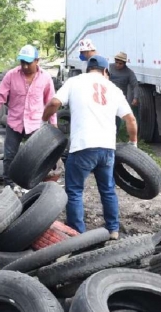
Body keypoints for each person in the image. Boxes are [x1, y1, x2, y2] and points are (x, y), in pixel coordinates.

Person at [42, 55, 138, 240]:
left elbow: (54, 103)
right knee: (108, 189)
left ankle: (78, 234)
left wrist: (44, 120)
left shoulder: (75, 81)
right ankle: (113, 230)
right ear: (105, 72)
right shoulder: (114, 88)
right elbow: (130, 119)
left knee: (75, 191)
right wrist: (133, 144)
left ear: (88, 70)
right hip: (107, 149)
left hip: (83, 146)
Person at [0, 44, 57, 188]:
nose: (24, 66)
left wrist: (54, 124)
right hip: (15, 123)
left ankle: (36, 183)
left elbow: (51, 101)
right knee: (9, 156)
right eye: (22, 62)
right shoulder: (11, 75)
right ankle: (9, 185)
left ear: (37, 61)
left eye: (28, 63)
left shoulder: (45, 78)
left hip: (36, 124)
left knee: (37, 156)